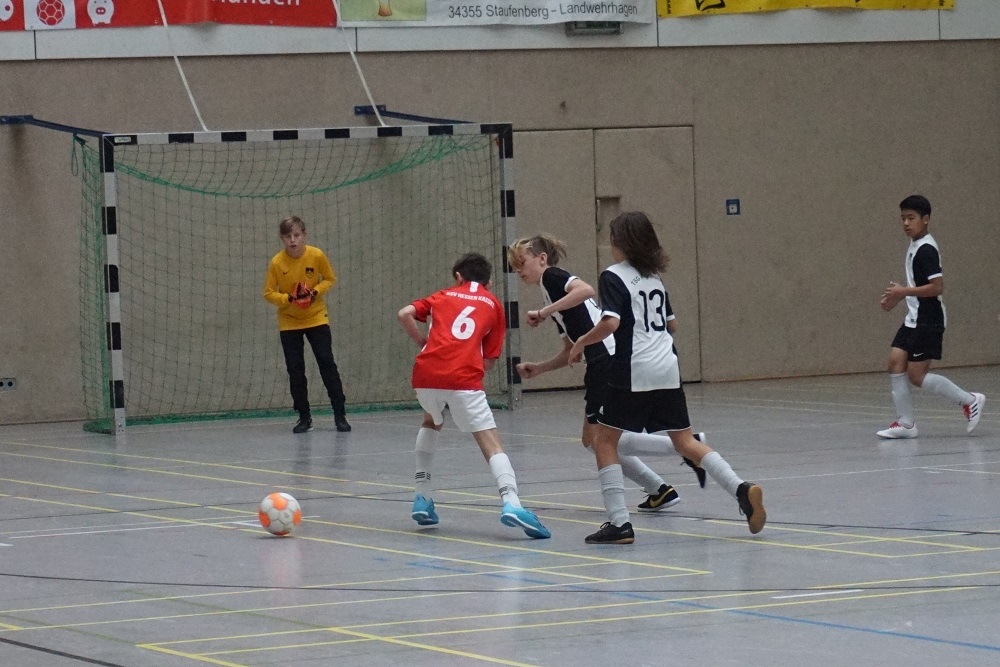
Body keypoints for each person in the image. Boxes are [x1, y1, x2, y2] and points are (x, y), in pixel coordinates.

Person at [569, 212, 766, 544]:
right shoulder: (654, 278)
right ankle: (741, 489)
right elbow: (672, 325)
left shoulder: (613, 275)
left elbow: (611, 323)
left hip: (634, 368)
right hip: (668, 367)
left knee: (603, 441)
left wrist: (581, 342)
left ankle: (619, 523)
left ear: (620, 242)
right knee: (685, 442)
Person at [508, 235, 708, 512]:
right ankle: (662, 486)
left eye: (522, 262)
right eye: (515, 266)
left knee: (599, 439)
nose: (518, 270)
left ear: (542, 259)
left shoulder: (552, 277)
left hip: (607, 360)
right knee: (595, 440)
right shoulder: (550, 293)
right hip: (601, 361)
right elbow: (571, 350)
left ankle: (686, 449)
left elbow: (586, 290)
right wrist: (540, 368)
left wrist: (544, 312)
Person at [397, 252, 550, 539]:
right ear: (488, 282)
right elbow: (489, 360)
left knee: (431, 420)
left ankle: (422, 496)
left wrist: (423, 342)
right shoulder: (493, 304)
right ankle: (512, 502)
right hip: (463, 378)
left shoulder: (442, 295)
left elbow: (404, 313)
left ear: (458, 276)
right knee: (490, 440)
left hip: (425, 373)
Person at [876, 195, 985, 439]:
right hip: (914, 317)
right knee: (895, 362)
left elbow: (937, 287)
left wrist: (903, 291)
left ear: (925, 219)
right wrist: (899, 297)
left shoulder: (926, 250)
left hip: (928, 319)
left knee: (916, 375)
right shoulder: (915, 244)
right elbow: (918, 284)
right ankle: (906, 424)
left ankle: (970, 400)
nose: (906, 223)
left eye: (911, 218)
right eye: (903, 218)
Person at [263, 216, 351, 434]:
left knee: (326, 363)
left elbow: (329, 279)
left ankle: (340, 415)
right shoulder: (277, 263)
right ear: (282, 238)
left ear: (304, 235)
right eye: (288, 236)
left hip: (316, 318)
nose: (292, 240)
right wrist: (288, 299)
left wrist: (314, 292)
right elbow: (268, 292)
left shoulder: (316, 255)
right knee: (295, 370)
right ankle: (304, 417)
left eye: (296, 235)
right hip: (289, 322)